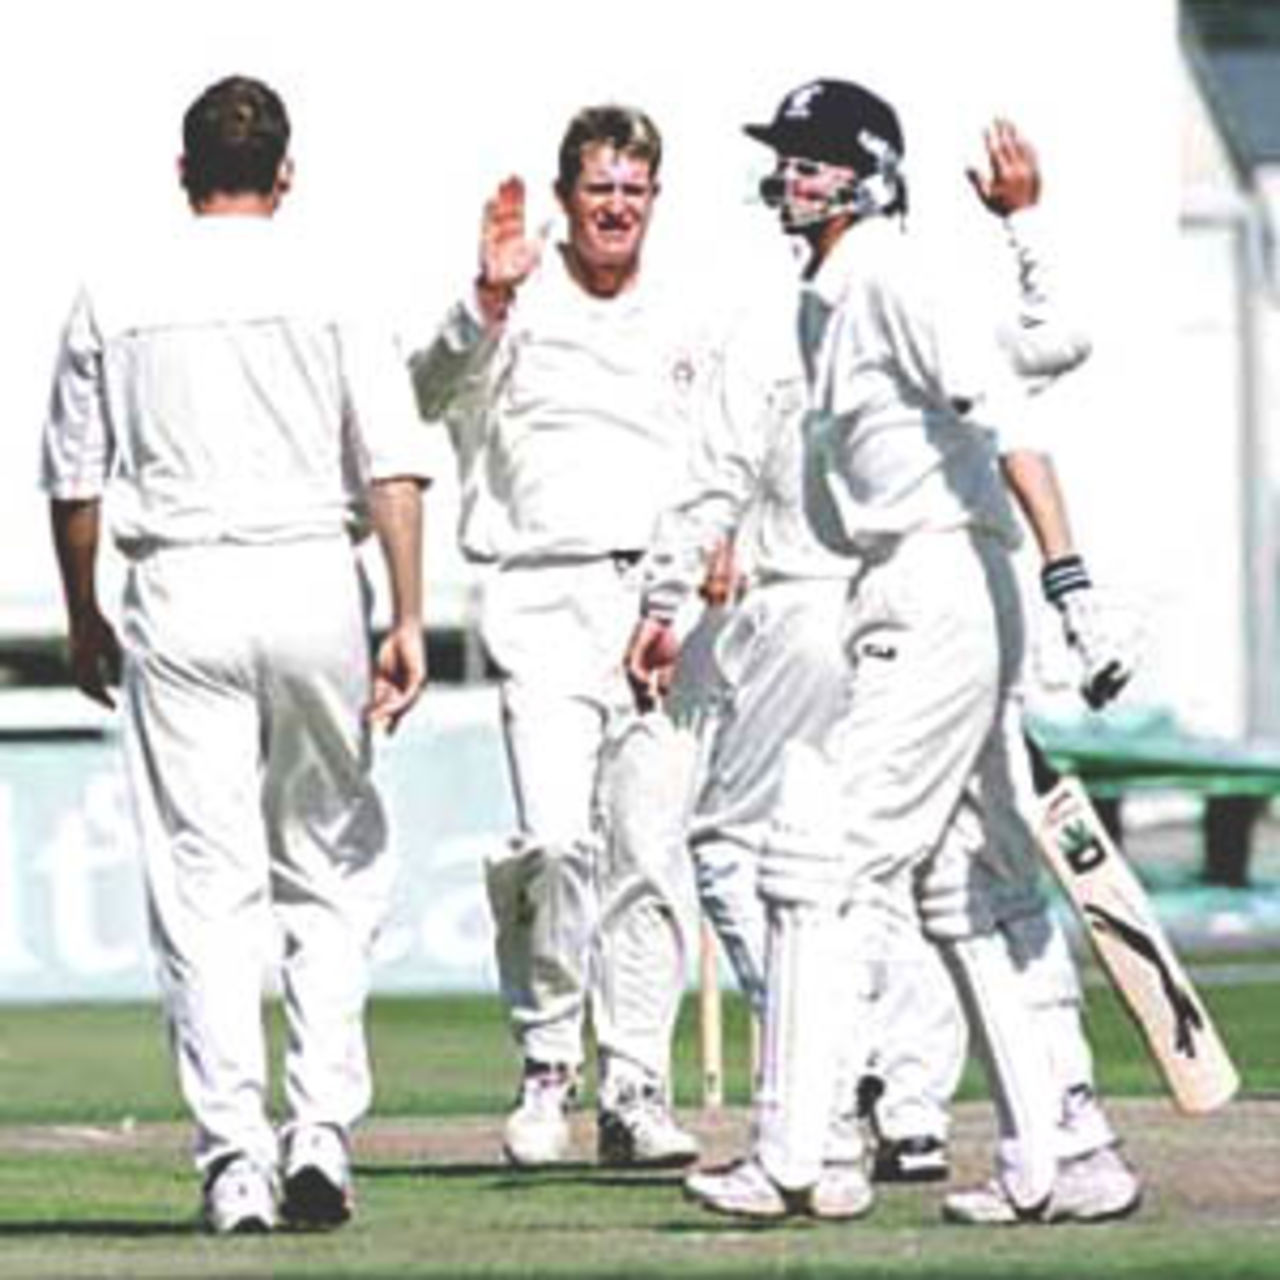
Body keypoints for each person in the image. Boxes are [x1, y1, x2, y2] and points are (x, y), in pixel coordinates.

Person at [647, 77, 1139, 1224]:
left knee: (812, 856)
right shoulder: (831, 289)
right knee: (968, 878)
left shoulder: (888, 271)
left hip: (936, 587)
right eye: (786, 156)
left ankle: (794, 1151)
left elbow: (1010, 415)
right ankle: (1066, 1149)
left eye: (812, 158)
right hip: (915, 586)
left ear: (865, 170)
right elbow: (1045, 343)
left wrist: (1073, 589)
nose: (790, 175)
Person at [41, 75, 429, 1235]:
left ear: (182, 169)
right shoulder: (336, 277)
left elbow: (75, 479)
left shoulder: (116, 287)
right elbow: (391, 462)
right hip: (312, 575)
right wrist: (406, 613)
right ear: (285, 173)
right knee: (327, 867)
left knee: (205, 890)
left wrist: (83, 611)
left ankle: (236, 1161)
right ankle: (320, 1127)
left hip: (184, 585)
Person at [407, 105, 714, 1169]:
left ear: (653, 199)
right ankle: (547, 1065)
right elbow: (426, 389)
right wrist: (483, 297)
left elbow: (727, 458)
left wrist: (709, 565)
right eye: (598, 189)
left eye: (633, 188)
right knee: (552, 840)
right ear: (566, 197)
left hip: (661, 604)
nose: (615, 207)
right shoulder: (515, 302)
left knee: (645, 854)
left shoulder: (687, 315)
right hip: (541, 594)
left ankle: (635, 1084)